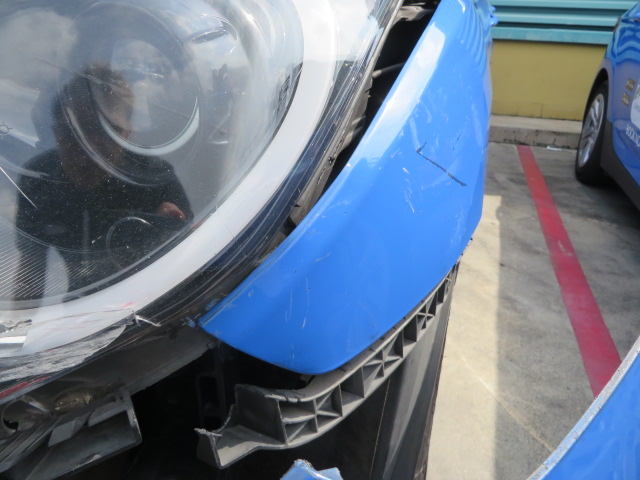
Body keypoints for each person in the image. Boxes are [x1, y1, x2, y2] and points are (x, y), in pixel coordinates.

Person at [13, 64, 192, 302]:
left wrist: (167, 236)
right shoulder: (38, 178)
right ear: (56, 132)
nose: (89, 149)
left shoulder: (156, 177)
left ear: (128, 134)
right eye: (74, 131)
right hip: (77, 308)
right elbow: (30, 271)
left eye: (107, 131)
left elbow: (189, 259)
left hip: (152, 299)